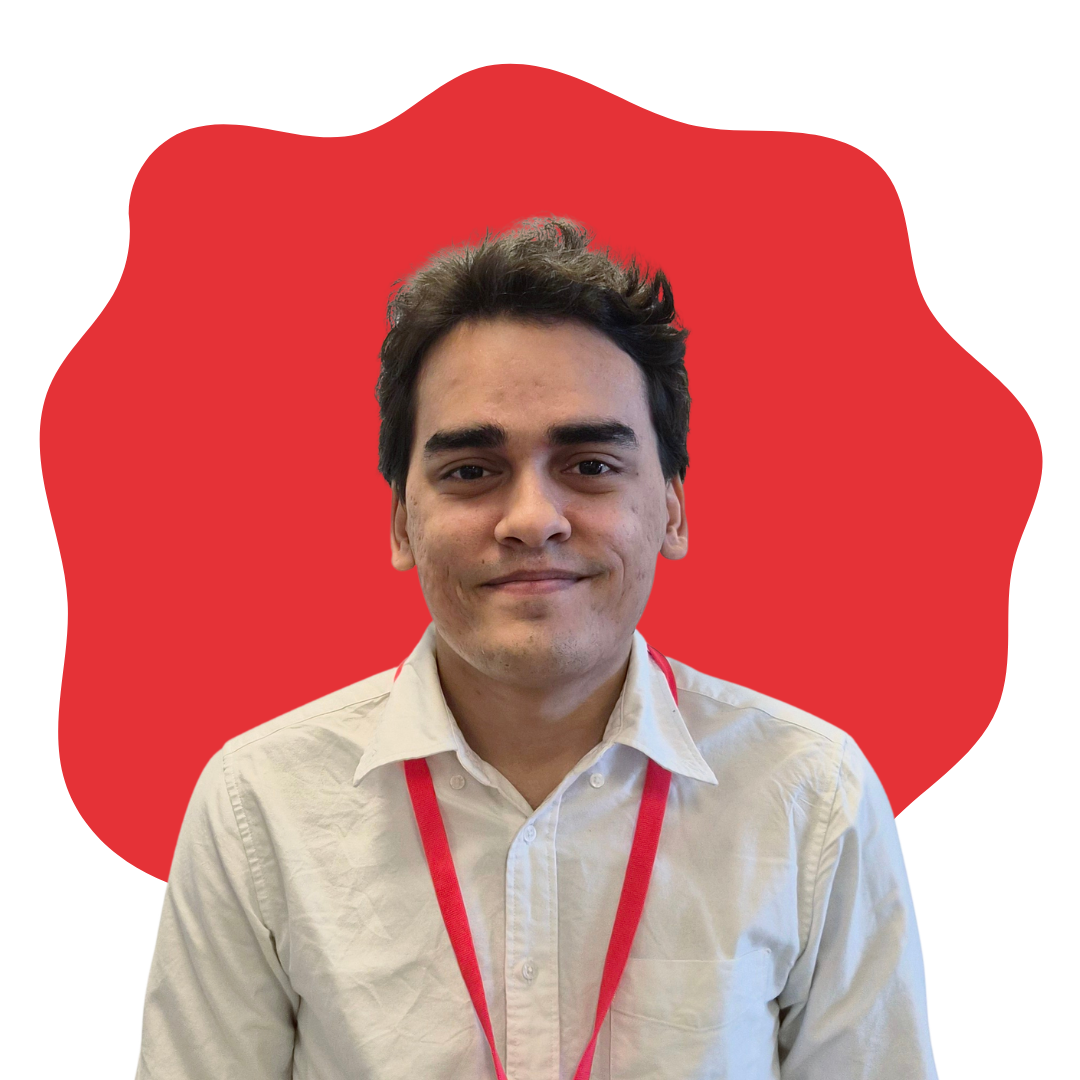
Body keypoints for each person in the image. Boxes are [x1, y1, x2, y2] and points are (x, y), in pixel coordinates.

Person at [134, 219, 938, 1079]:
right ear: (402, 523)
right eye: (471, 472)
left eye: (590, 465)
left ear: (671, 509)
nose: (531, 519)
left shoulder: (811, 794)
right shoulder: (261, 803)